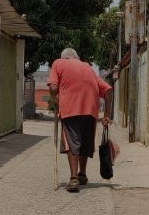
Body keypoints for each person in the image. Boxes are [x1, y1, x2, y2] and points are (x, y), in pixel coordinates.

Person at [47, 48, 113, 192]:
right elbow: (108, 90)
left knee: (72, 143)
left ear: (64, 58)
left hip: (70, 109)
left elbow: (53, 87)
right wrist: (107, 115)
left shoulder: (58, 63)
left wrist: (55, 101)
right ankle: (82, 174)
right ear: (76, 58)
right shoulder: (88, 68)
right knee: (85, 143)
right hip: (90, 111)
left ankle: (73, 179)